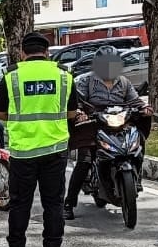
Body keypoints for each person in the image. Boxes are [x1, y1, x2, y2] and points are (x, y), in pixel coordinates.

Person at [0, 32, 84, 247]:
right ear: (47, 52)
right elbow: (73, 114)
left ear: (23, 53)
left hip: (23, 151)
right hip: (55, 150)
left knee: (19, 204)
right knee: (53, 204)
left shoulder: (12, 76)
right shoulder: (64, 75)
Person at [63, 46, 152, 220]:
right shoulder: (86, 81)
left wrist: (144, 108)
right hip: (94, 124)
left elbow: (134, 101)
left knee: (138, 143)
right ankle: (69, 204)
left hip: (119, 124)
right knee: (85, 161)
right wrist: (80, 113)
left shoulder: (124, 82)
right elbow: (77, 102)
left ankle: (137, 178)